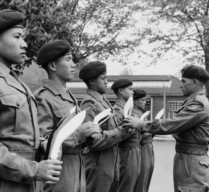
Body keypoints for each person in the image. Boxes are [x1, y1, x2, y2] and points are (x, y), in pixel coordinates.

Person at [0, 9, 62, 192]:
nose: (25, 44)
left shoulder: (17, 82)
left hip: (25, 182)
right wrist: (32, 169)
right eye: (17, 36)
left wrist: (42, 144)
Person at [124, 65, 209, 192]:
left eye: (183, 81)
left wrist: (140, 124)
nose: (181, 85)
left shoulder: (198, 104)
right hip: (188, 159)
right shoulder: (194, 102)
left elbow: (170, 125)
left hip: (192, 163)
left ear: (194, 83)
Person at [33, 40, 100, 192]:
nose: (74, 64)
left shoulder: (69, 96)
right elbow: (43, 143)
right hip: (58, 176)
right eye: (68, 59)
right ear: (53, 66)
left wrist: (89, 133)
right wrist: (79, 134)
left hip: (76, 169)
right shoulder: (43, 97)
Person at [78, 61, 133, 192]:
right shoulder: (89, 103)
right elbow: (94, 141)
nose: (107, 82)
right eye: (103, 78)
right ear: (91, 81)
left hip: (110, 165)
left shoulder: (104, 102)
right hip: (98, 167)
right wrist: (122, 131)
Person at [111, 79, 141, 192]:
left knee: (132, 185)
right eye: (130, 89)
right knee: (125, 186)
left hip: (134, 150)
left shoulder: (129, 110)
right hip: (126, 152)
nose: (133, 92)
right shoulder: (118, 110)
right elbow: (119, 133)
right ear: (121, 91)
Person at [132, 89, 155, 192]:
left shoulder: (142, 114)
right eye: (143, 100)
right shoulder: (133, 115)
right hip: (141, 148)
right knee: (141, 176)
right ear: (135, 101)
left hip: (149, 147)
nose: (145, 102)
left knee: (147, 175)